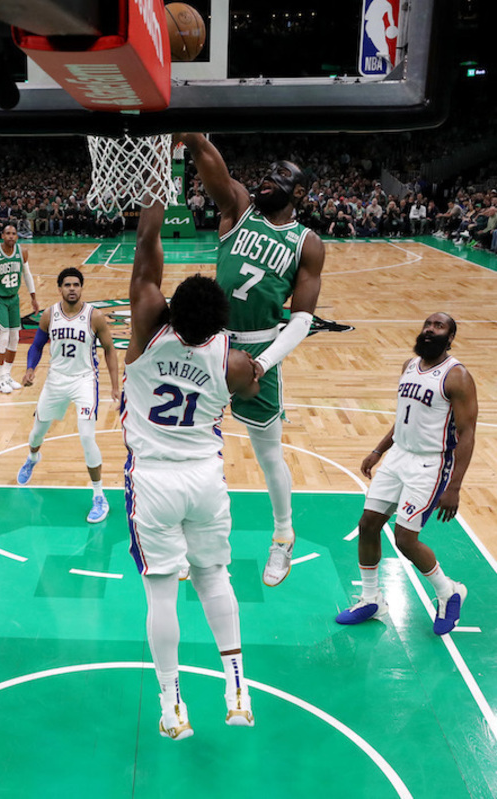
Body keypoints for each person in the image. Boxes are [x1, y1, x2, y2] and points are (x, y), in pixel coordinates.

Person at [121, 197, 259, 740]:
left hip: (153, 479)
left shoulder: (146, 329)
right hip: (205, 478)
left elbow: (146, 256)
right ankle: (236, 688)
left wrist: (157, 193)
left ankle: (172, 703)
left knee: (161, 591)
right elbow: (250, 388)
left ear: (171, 309)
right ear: (218, 320)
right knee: (213, 577)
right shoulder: (233, 360)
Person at [181, 133, 325, 587]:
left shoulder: (307, 243)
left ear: (299, 192)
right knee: (190, 447)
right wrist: (188, 134)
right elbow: (212, 166)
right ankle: (191, 542)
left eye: (280, 176)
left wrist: (262, 364)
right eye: (266, 173)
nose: (268, 180)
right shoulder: (239, 210)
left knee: (268, 455)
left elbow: (301, 320)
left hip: (263, 348)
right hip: (211, 346)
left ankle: (283, 536)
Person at [336, 313, 477, 635]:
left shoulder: (457, 377)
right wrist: (378, 450)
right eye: (428, 324)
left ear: (450, 337)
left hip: (430, 464)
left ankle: (448, 591)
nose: (430, 329)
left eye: (439, 326)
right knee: (368, 525)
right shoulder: (409, 367)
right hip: (399, 456)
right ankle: (371, 599)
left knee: (405, 539)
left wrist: (454, 487)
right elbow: (403, 418)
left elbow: (468, 433)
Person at [16, 267, 120, 523]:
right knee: (37, 433)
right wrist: (30, 369)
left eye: (76, 285)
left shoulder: (94, 317)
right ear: (60, 288)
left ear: (81, 288)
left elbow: (110, 350)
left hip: (84, 381)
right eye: (67, 285)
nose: (72, 289)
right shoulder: (49, 315)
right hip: (56, 381)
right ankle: (32, 458)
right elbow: (37, 345)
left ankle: (99, 497)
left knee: (87, 438)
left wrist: (115, 386)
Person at [0, 223, 39, 394]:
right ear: (2, 236)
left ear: (17, 236)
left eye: (14, 233)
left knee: (14, 338)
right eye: (8, 233)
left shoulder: (22, 252)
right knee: (3, 337)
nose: (11, 236)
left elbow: (27, 274)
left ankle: (7, 375)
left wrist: (33, 298)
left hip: (13, 298)